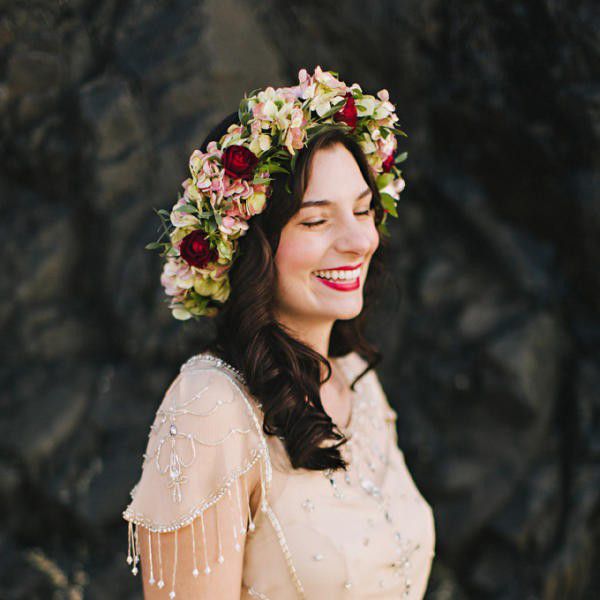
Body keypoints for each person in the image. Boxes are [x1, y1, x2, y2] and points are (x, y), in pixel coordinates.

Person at [122, 66, 436, 599]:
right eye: (315, 221)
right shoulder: (210, 410)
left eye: (363, 210)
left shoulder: (358, 380)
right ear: (253, 246)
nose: (359, 240)